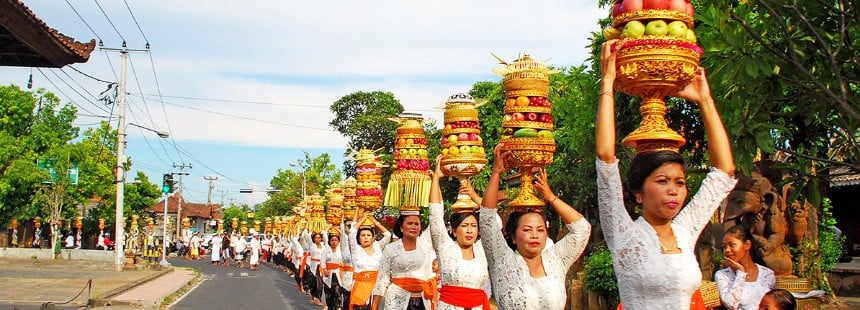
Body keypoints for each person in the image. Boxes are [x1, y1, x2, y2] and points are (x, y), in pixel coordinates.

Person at [595, 39, 737, 309]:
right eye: (662, 181)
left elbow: (724, 173)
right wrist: (607, 84)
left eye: (680, 183)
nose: (674, 190)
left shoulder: (685, 230)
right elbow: (605, 157)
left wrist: (705, 100)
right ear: (638, 193)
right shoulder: (623, 232)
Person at [480, 145, 591, 310]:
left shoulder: (556, 260)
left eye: (540, 230)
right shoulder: (502, 260)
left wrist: (551, 198)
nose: (534, 235)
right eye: (527, 230)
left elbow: (582, 229)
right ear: (513, 236)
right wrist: (496, 173)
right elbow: (487, 219)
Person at [429, 156, 490, 310]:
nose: (469, 230)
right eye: (464, 226)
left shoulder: (483, 249)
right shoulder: (445, 247)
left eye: (473, 226)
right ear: (454, 231)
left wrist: (473, 195)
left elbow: (493, 219)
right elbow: (435, 216)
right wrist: (436, 179)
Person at [371, 210, 435, 310]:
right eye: (410, 223)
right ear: (401, 227)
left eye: (416, 224)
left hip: (424, 300)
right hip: (397, 300)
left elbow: (436, 218)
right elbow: (382, 279)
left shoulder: (426, 245)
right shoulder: (390, 249)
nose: (414, 227)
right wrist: (374, 305)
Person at [716, 225, 776, 309]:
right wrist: (741, 273)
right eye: (724, 247)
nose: (727, 250)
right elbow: (731, 304)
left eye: (732, 245)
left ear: (747, 245)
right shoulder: (722, 275)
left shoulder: (767, 274)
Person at [348, 213, 391, 310]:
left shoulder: (378, 247)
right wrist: (362, 219)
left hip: (376, 287)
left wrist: (375, 222)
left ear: (373, 237)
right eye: (363, 235)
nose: (366, 237)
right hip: (360, 287)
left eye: (368, 235)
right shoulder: (356, 250)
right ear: (359, 238)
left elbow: (387, 235)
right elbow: (352, 232)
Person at [323, 232, 345, 310]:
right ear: (329, 241)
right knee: (329, 293)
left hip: (338, 273)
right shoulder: (326, 250)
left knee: (337, 291)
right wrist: (324, 269)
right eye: (332, 240)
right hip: (328, 275)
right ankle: (329, 306)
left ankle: (338, 307)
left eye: (336, 240)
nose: (334, 242)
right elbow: (322, 261)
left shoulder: (341, 250)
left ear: (339, 241)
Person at [305, 231, 326, 306]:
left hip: (320, 267)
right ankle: (313, 297)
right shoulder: (312, 245)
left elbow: (326, 235)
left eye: (319, 237)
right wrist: (311, 228)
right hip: (313, 266)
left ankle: (319, 300)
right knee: (313, 283)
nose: (317, 239)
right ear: (313, 239)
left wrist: (323, 231)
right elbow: (306, 235)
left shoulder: (324, 246)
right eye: (316, 238)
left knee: (320, 284)